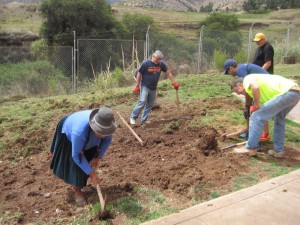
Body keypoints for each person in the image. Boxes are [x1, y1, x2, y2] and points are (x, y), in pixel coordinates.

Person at [50, 107, 117, 206]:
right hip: (70, 136)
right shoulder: (79, 132)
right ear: (94, 127)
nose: (103, 136)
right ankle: (77, 191)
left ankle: (82, 182)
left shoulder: (107, 127)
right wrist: (93, 175)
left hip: (87, 140)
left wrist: (97, 157)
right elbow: (76, 156)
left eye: (105, 133)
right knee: (75, 167)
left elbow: (107, 141)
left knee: (87, 164)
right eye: (101, 132)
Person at [230, 74, 300, 158]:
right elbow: (264, 108)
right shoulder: (256, 90)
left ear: (240, 84)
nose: (238, 93)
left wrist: (256, 105)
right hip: (295, 93)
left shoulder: (247, 79)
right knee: (279, 119)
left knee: (257, 116)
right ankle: (278, 151)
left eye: (237, 90)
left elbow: (255, 87)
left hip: (286, 93)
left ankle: (250, 147)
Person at [224, 59, 270, 140]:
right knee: (257, 108)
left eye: (228, 72)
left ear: (230, 69)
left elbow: (246, 88)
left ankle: (253, 134)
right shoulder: (242, 67)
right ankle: (262, 133)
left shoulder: (240, 70)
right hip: (263, 86)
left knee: (255, 110)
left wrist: (248, 106)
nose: (230, 74)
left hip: (265, 86)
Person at [130, 50, 179, 125]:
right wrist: (137, 85)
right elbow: (139, 74)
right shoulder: (146, 64)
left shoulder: (161, 64)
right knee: (142, 101)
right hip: (145, 85)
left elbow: (168, 73)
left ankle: (144, 120)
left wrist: (174, 82)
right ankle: (133, 117)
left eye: (160, 59)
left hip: (153, 87)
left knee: (150, 104)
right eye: (158, 58)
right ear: (153, 56)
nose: (159, 60)